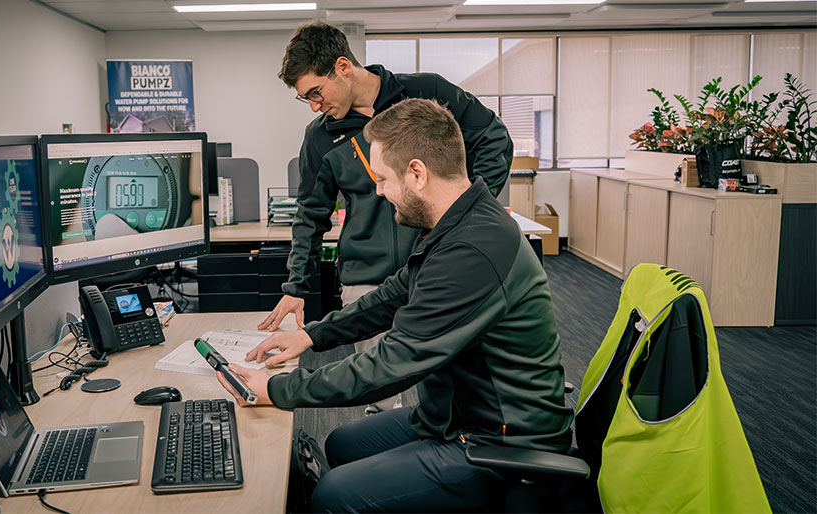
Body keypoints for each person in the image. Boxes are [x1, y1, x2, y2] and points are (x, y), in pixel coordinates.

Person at [218, 98, 573, 513]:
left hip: (502, 441)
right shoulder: (458, 221)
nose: (379, 191)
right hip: (455, 413)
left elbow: (392, 365)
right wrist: (310, 335)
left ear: (417, 174)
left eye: (383, 178)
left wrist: (275, 390)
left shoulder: (474, 247)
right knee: (341, 443)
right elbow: (392, 295)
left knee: (333, 494)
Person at [259, 21, 514, 414]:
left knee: (447, 383)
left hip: (437, 265)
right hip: (369, 276)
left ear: (343, 67)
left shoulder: (426, 94)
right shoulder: (321, 137)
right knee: (378, 389)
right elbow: (311, 214)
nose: (313, 105)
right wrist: (297, 284)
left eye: (315, 92)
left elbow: (494, 137)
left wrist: (466, 213)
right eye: (304, 98)